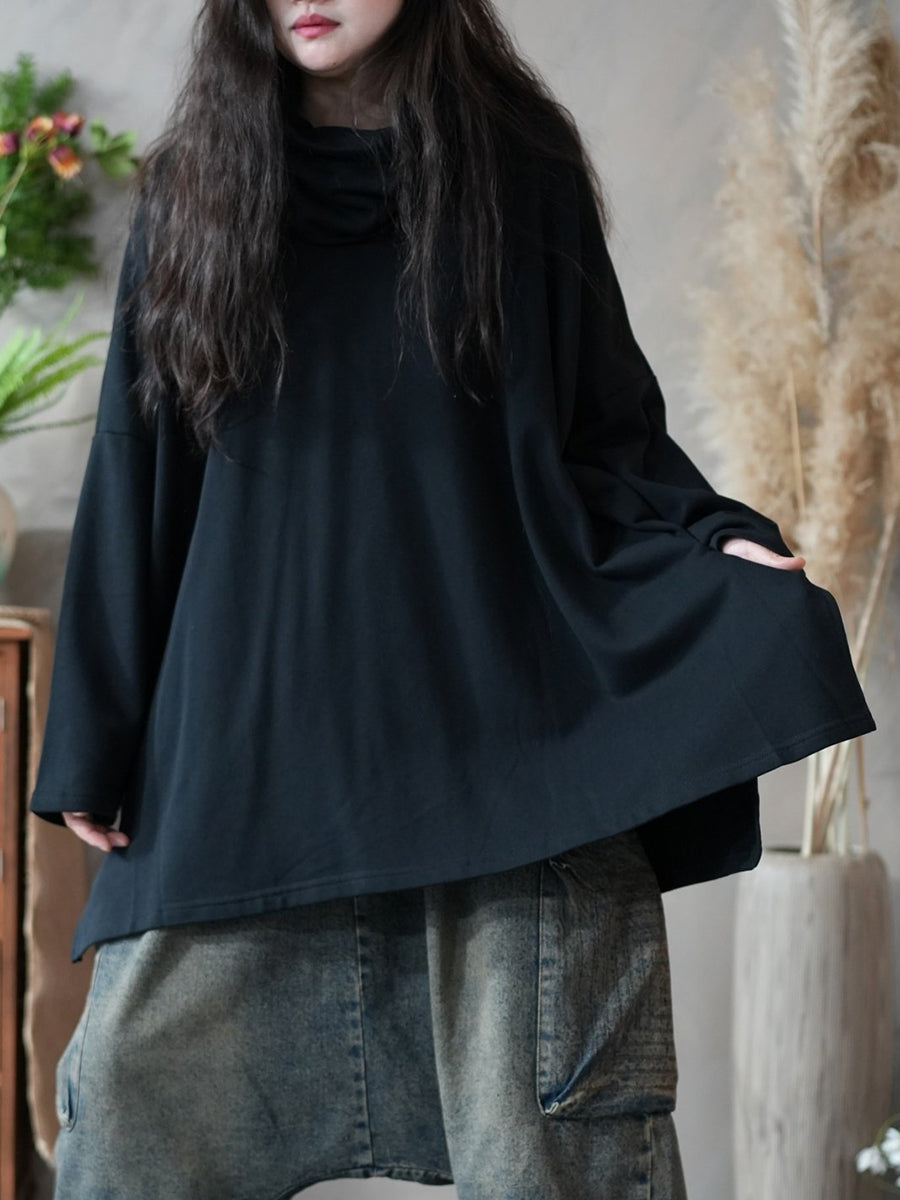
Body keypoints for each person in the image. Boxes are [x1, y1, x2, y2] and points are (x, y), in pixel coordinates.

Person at [29, 0, 876, 1197]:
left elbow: (605, 432)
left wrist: (712, 538)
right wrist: (93, 738)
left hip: (499, 746)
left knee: (560, 1159)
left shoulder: (519, 171)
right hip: (248, 761)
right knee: (124, 1114)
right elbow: (139, 464)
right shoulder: (192, 188)